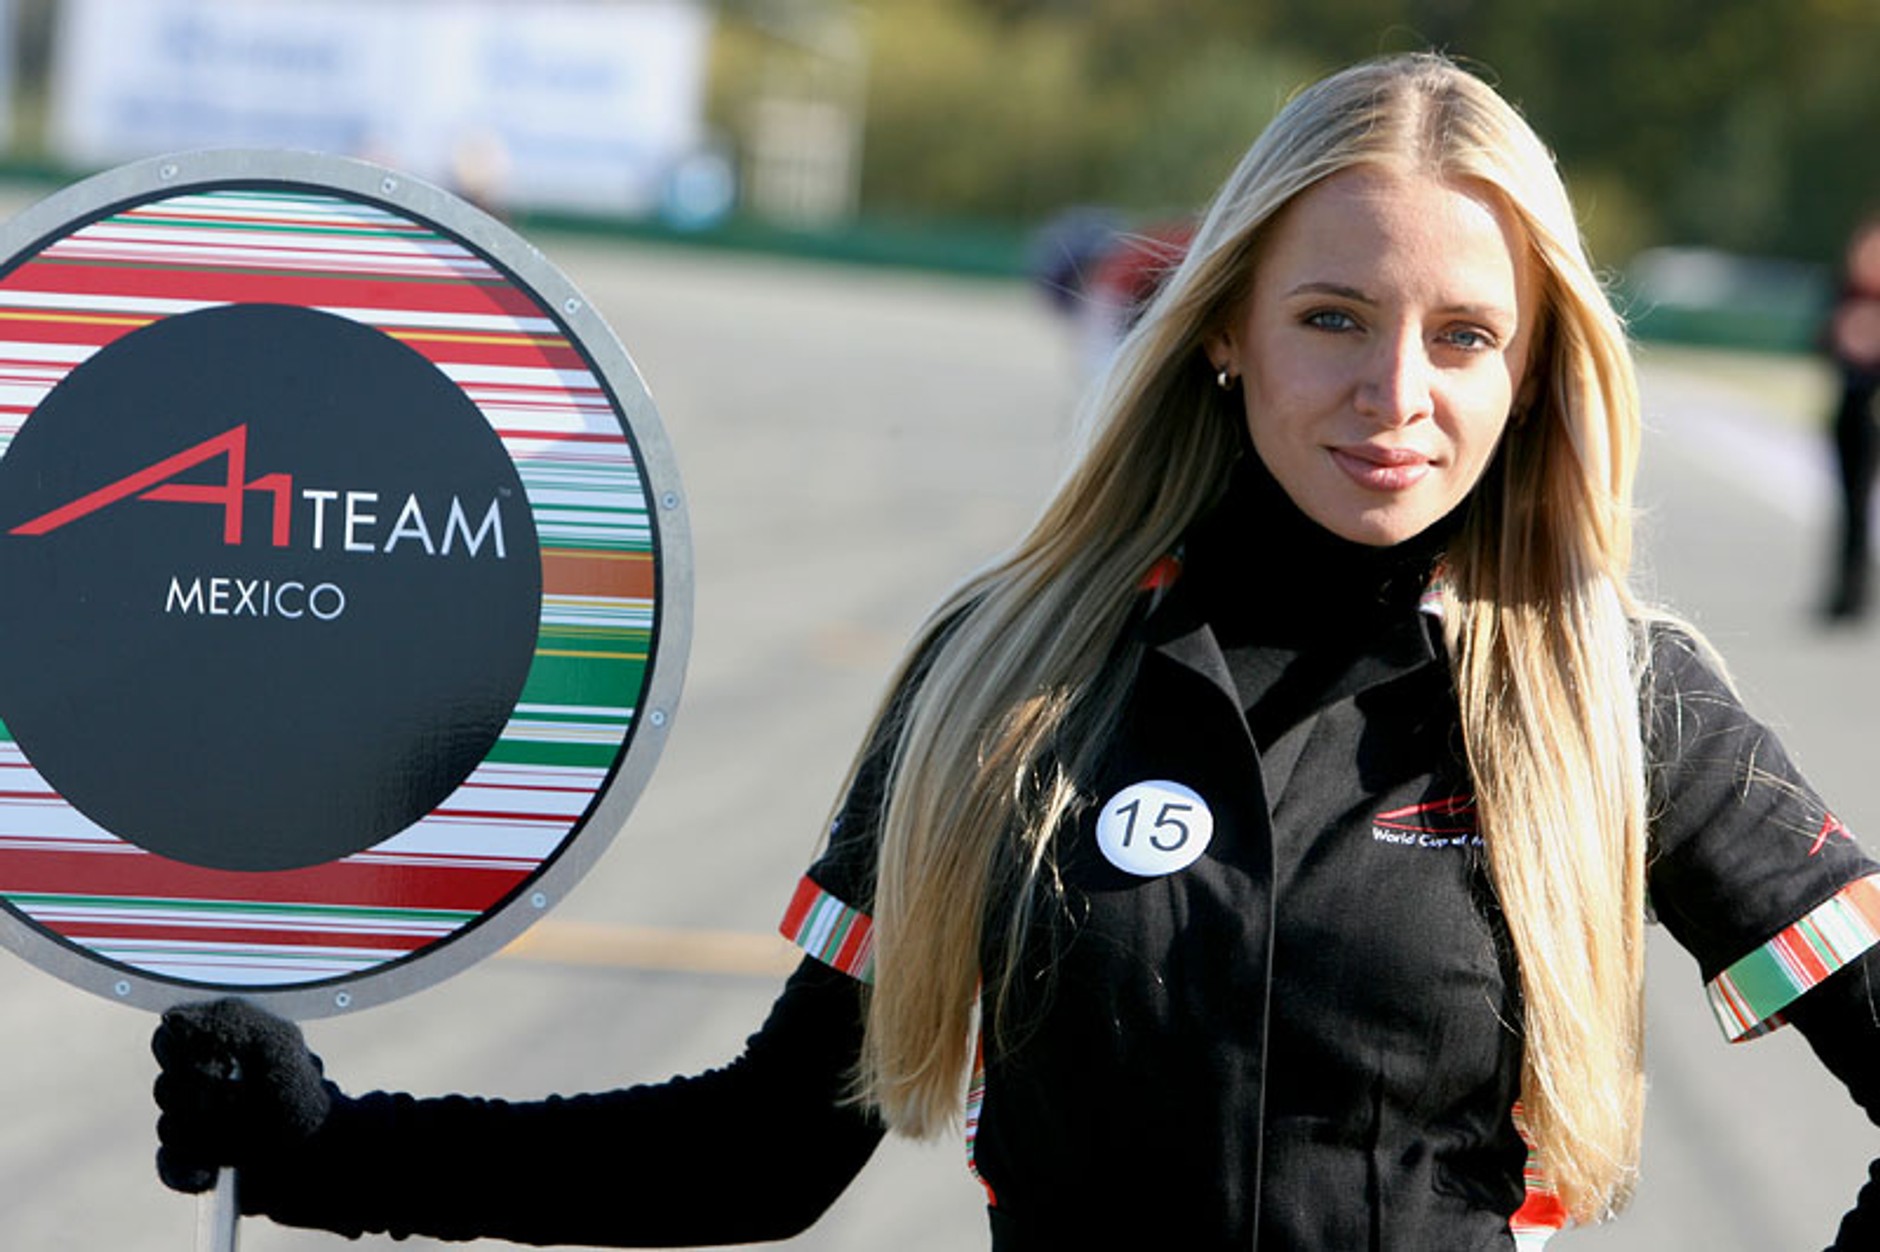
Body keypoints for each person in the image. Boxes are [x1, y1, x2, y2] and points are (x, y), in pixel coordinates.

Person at [152, 53, 1880, 1249]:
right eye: (1334, 317)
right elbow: (764, 1150)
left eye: (1466, 336)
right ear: (1224, 332)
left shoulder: (1617, 701)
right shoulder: (1011, 673)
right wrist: (332, 1149)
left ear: (1536, 368)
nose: (1395, 392)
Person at [1821, 213, 1880, 621]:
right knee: (1850, 505)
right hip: (1852, 409)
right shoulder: (1845, 294)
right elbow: (1821, 341)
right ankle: (1849, 591)